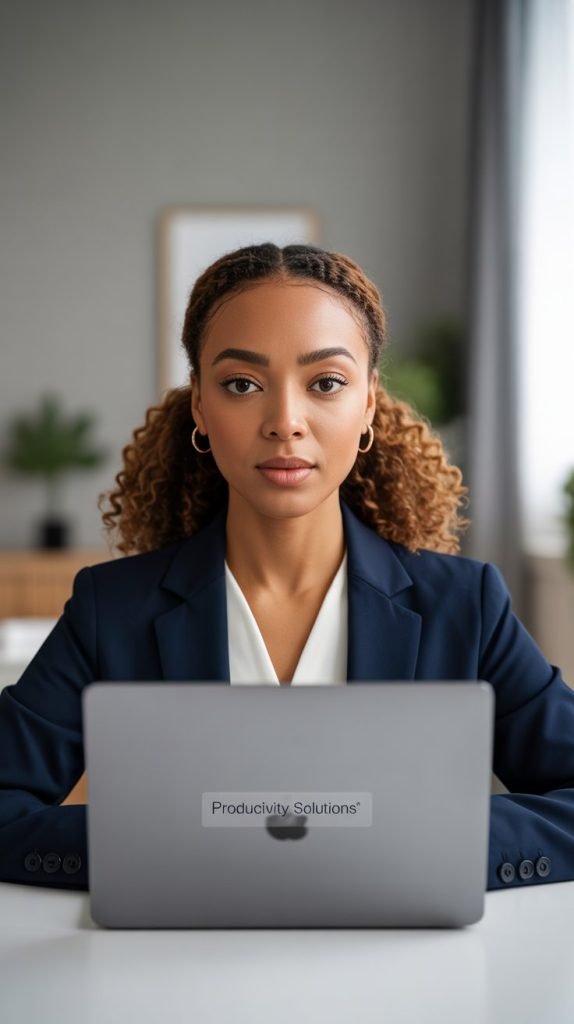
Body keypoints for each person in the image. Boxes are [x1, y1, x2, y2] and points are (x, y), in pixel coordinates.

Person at [1, 241, 573, 893]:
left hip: (406, 980)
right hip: (176, 976)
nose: (284, 423)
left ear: (366, 404)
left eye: (325, 382)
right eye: (242, 384)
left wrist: (436, 838)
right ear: (199, 407)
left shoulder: (466, 605)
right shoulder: (113, 609)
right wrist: (152, 843)